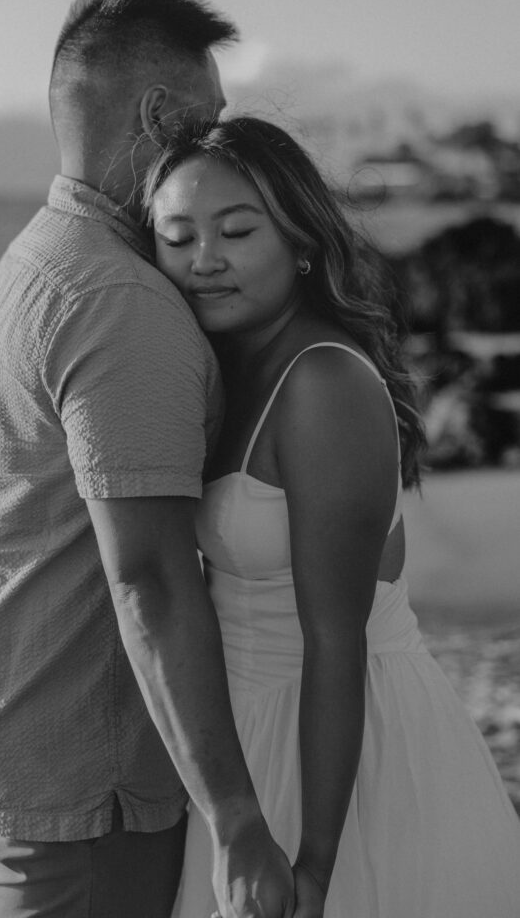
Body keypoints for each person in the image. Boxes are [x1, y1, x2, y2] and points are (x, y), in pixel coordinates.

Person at [0, 0, 296, 918]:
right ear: (159, 115)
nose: (217, 146)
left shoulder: (41, 254)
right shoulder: (121, 302)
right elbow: (151, 582)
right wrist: (239, 822)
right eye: (205, 121)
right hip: (81, 790)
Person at [145, 115, 520, 918]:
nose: (203, 259)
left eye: (236, 231)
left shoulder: (321, 383)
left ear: (302, 244)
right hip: (244, 740)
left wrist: (318, 862)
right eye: (176, 236)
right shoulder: (222, 370)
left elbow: (334, 641)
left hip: (342, 753)